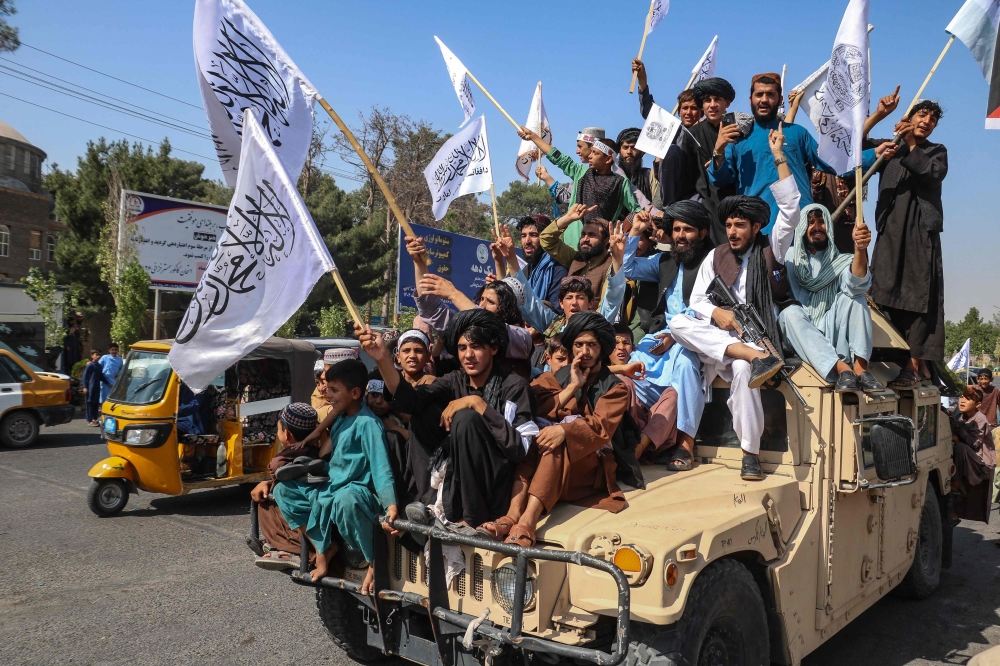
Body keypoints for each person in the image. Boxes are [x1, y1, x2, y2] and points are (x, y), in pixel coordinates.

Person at [669, 125, 800, 481]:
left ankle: (749, 454)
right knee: (678, 322)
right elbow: (697, 300)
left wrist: (779, 157)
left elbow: (790, 208)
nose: (732, 231)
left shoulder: (772, 248)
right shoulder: (716, 255)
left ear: (756, 227)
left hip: (757, 339)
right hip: (720, 339)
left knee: (743, 370)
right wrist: (719, 313)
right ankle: (749, 355)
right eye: (728, 225)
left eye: (740, 225)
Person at [359, 310, 535, 532]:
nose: (468, 355)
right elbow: (412, 400)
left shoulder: (514, 386)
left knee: (466, 418)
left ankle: (470, 519)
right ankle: (430, 505)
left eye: (476, 347)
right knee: (423, 414)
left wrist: (478, 405)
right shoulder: (454, 380)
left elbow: (521, 449)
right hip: (455, 482)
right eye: (462, 348)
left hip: (495, 488)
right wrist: (382, 358)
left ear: (493, 348)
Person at [479, 313, 637, 547]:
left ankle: (527, 522)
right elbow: (531, 406)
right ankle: (511, 516)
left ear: (602, 348)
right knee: (534, 438)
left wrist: (564, 431)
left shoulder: (615, 388)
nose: (584, 351)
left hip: (588, 470)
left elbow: (600, 427)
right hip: (545, 463)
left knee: (557, 441)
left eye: (591, 345)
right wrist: (573, 386)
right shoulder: (556, 376)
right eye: (578, 345)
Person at [270, 362, 399, 593]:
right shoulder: (342, 417)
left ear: (355, 393)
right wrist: (316, 434)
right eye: (327, 388)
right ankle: (323, 547)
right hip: (332, 485)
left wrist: (391, 505)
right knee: (283, 490)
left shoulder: (368, 424)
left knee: (345, 500)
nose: (327, 395)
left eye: (334, 390)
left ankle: (374, 561)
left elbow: (380, 467)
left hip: (357, 490)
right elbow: (331, 424)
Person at [709, 73, 884, 232]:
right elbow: (720, 179)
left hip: (799, 225)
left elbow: (830, 162)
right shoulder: (737, 137)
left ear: (780, 99)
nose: (764, 100)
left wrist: (873, 155)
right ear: (750, 100)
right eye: (759, 94)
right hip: (758, 226)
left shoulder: (797, 133)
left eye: (770, 94)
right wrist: (719, 149)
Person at [621, 202, 713, 468]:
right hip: (663, 335)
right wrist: (635, 232)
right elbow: (627, 268)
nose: (681, 235)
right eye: (676, 230)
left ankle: (686, 443)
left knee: (684, 367)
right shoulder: (665, 261)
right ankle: (633, 436)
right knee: (633, 368)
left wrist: (677, 335)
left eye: (688, 230)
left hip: (697, 335)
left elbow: (712, 307)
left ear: (702, 233)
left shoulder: (714, 261)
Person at [869, 101, 948, 387]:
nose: (927, 121)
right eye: (922, 115)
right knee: (881, 292)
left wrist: (911, 143)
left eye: (932, 119)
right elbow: (854, 144)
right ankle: (893, 358)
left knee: (918, 297)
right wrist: (880, 114)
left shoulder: (936, 151)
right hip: (890, 233)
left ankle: (914, 366)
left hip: (920, 235)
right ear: (909, 117)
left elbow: (932, 174)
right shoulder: (890, 145)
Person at [779, 204, 883, 392]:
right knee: (789, 313)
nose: (817, 227)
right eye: (810, 222)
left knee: (856, 298)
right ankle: (842, 369)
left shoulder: (839, 260)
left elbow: (856, 284)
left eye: (822, 222)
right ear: (801, 228)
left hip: (830, 326)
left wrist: (860, 249)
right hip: (801, 332)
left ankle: (860, 369)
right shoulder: (789, 257)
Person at [518, 126, 640, 249]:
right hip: (571, 244)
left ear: (608, 159)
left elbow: (635, 210)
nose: (590, 156)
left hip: (599, 248)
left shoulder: (620, 181)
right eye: (591, 152)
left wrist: (626, 229)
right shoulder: (581, 173)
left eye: (595, 152)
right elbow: (558, 157)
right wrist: (533, 136)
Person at [251, 403, 327, 572]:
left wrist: (268, 485)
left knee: (265, 503)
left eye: (278, 429)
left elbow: (287, 486)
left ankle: (295, 551)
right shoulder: (319, 451)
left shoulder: (280, 461)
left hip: (307, 514)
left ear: (286, 433)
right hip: (318, 506)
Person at [537, 203, 615, 298]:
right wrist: (568, 218)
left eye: (592, 235)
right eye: (583, 234)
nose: (585, 239)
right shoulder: (576, 258)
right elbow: (546, 239)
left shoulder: (612, 266)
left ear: (606, 240)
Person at [950, 385, 996, 524]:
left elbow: (974, 443)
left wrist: (958, 433)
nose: (963, 400)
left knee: (959, 447)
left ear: (978, 404)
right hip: (968, 457)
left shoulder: (980, 419)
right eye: (961, 397)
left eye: (968, 398)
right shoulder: (958, 416)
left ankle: (956, 483)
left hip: (980, 461)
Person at [516, 214, 568, 312]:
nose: (527, 241)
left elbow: (554, 312)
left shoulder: (557, 269)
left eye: (534, 235)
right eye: (523, 236)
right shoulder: (527, 269)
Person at [616, 127, 655, 203]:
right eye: (625, 147)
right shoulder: (612, 175)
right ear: (619, 151)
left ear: (642, 152)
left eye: (633, 147)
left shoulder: (650, 177)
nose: (629, 152)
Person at [81, 349, 103, 426]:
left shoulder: (99, 366)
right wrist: (85, 387)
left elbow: (101, 376)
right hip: (90, 387)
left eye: (99, 354)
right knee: (89, 403)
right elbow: (84, 377)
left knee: (95, 403)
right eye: (96, 354)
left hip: (97, 387)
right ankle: (89, 420)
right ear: (92, 356)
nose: (98, 356)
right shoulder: (90, 365)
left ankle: (94, 419)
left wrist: (109, 383)